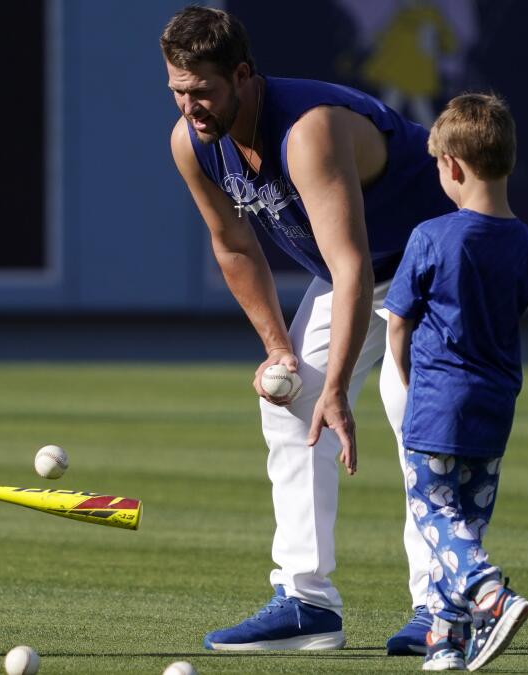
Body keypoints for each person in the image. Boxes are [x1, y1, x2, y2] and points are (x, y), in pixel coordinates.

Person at [161, 6, 455, 652]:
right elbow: (233, 245)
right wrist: (280, 351)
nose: (191, 106)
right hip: (357, 272)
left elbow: (349, 265)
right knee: (290, 403)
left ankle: (442, 606)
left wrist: (339, 388)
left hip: (434, 264)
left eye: (203, 90)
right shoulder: (193, 144)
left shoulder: (308, 130)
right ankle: (307, 602)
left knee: (416, 416)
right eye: (178, 91)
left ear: (242, 74)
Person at [382, 93, 528, 671]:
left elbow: (396, 326)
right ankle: (446, 644)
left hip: (439, 404)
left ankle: (491, 593)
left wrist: (411, 384)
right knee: (466, 517)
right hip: (496, 408)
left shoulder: (431, 236)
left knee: (436, 517)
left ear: (454, 167)